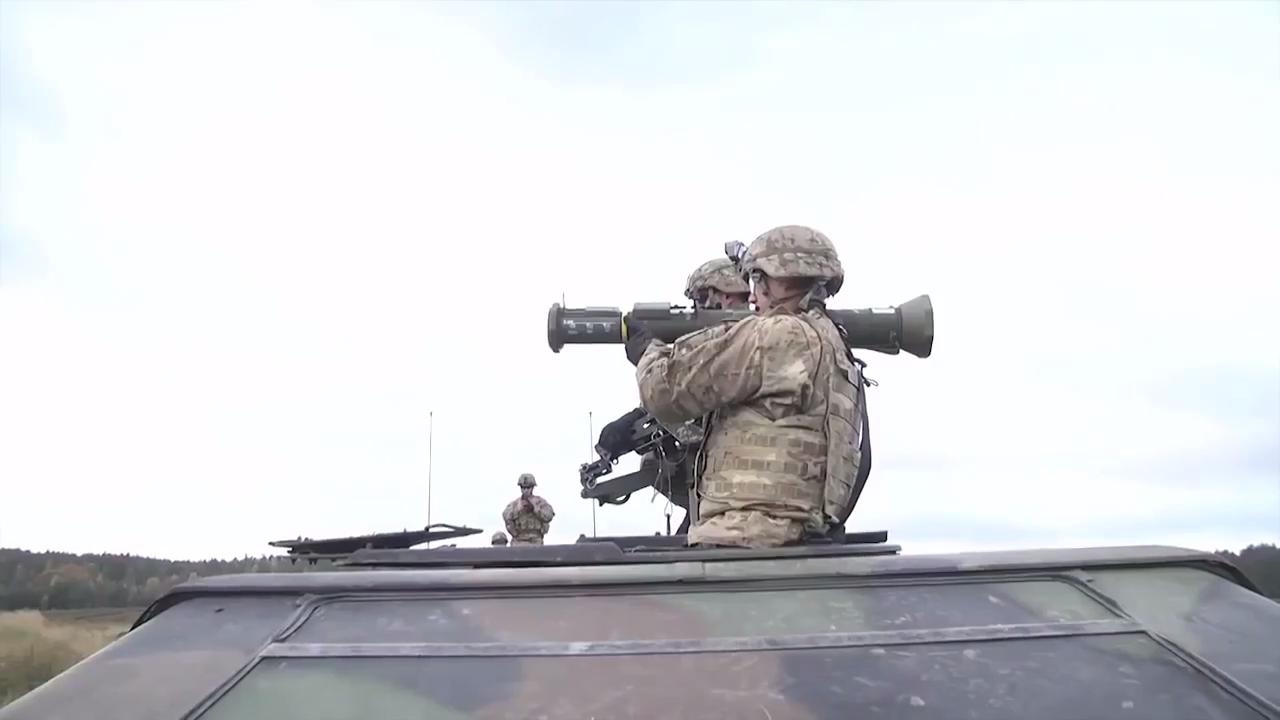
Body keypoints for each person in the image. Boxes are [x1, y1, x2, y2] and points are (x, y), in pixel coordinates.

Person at [631, 225, 867, 548]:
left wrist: (647, 353)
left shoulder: (777, 335)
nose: (752, 294)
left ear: (785, 277)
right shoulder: (833, 343)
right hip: (793, 535)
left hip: (744, 537)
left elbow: (664, 392)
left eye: (759, 278)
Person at [501, 473, 555, 545]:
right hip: (519, 540)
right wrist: (520, 510)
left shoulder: (540, 503)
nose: (525, 490)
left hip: (536, 539)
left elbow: (549, 516)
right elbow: (506, 518)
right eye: (523, 488)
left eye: (528, 487)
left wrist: (534, 509)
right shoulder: (514, 505)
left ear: (532, 488)